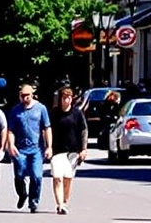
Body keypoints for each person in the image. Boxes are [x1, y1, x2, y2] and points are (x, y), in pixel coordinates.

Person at [6, 86, 48, 213]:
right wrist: (11, 145)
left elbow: (47, 128)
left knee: (37, 176)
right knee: (19, 175)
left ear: (32, 94)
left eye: (27, 95)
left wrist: (49, 146)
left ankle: (33, 201)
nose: (25, 98)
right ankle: (22, 194)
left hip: (36, 149)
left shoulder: (41, 109)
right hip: (20, 149)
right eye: (23, 95)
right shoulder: (15, 110)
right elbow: (11, 130)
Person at [47, 88, 87, 216]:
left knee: (67, 179)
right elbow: (47, 130)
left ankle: (64, 201)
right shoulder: (54, 113)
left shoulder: (77, 113)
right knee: (57, 177)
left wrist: (84, 149)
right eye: (64, 98)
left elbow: (83, 130)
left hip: (73, 151)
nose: (66, 100)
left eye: (69, 98)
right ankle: (59, 204)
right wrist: (48, 147)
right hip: (57, 151)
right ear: (60, 99)